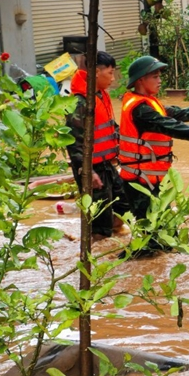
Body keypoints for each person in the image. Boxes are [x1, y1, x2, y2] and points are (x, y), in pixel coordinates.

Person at [118, 55, 189, 253]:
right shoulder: (141, 110)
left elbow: (180, 113)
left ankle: (141, 267)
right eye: (155, 76)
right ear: (140, 80)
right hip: (140, 181)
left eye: (159, 75)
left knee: (165, 235)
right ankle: (133, 270)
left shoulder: (148, 102)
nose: (160, 80)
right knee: (152, 240)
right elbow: (172, 126)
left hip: (149, 179)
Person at [65, 51, 130, 239]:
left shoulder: (100, 96)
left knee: (124, 204)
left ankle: (111, 236)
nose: (113, 78)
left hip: (107, 165)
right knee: (100, 221)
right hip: (92, 169)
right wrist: (88, 172)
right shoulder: (79, 103)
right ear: (96, 72)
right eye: (110, 73)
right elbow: (73, 143)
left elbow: (111, 128)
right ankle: (100, 250)